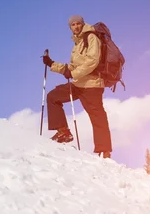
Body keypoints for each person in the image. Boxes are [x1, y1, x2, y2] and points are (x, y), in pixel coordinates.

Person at [42, 15, 113, 159]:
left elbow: (92, 61)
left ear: (82, 24)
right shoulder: (77, 43)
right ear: (70, 28)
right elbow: (73, 67)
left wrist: (73, 73)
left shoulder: (91, 37)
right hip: (78, 83)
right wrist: (52, 64)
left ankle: (105, 151)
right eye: (72, 25)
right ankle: (63, 132)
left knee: (97, 115)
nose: (76, 27)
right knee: (53, 97)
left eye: (78, 24)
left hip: (92, 84)